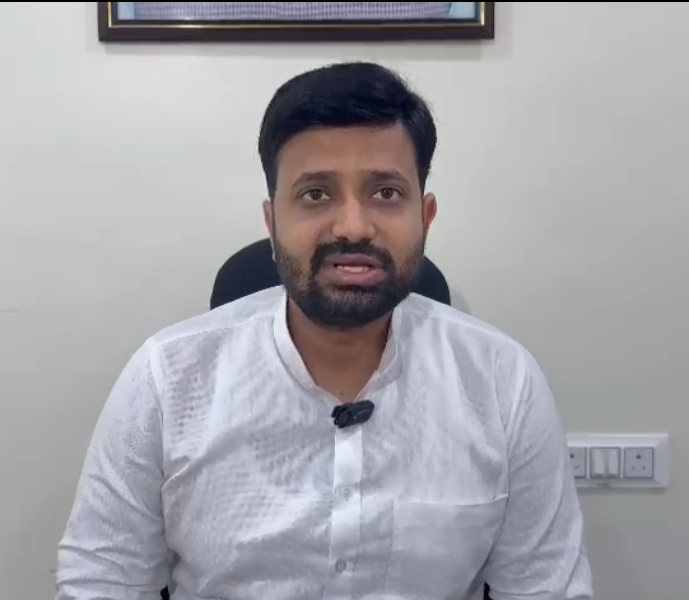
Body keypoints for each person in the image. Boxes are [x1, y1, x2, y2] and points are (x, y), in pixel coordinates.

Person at [55, 61, 593, 600]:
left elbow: (545, 589)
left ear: (425, 217)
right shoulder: (168, 379)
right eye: (316, 194)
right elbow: (102, 584)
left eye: (386, 193)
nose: (353, 226)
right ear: (272, 222)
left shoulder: (501, 382)